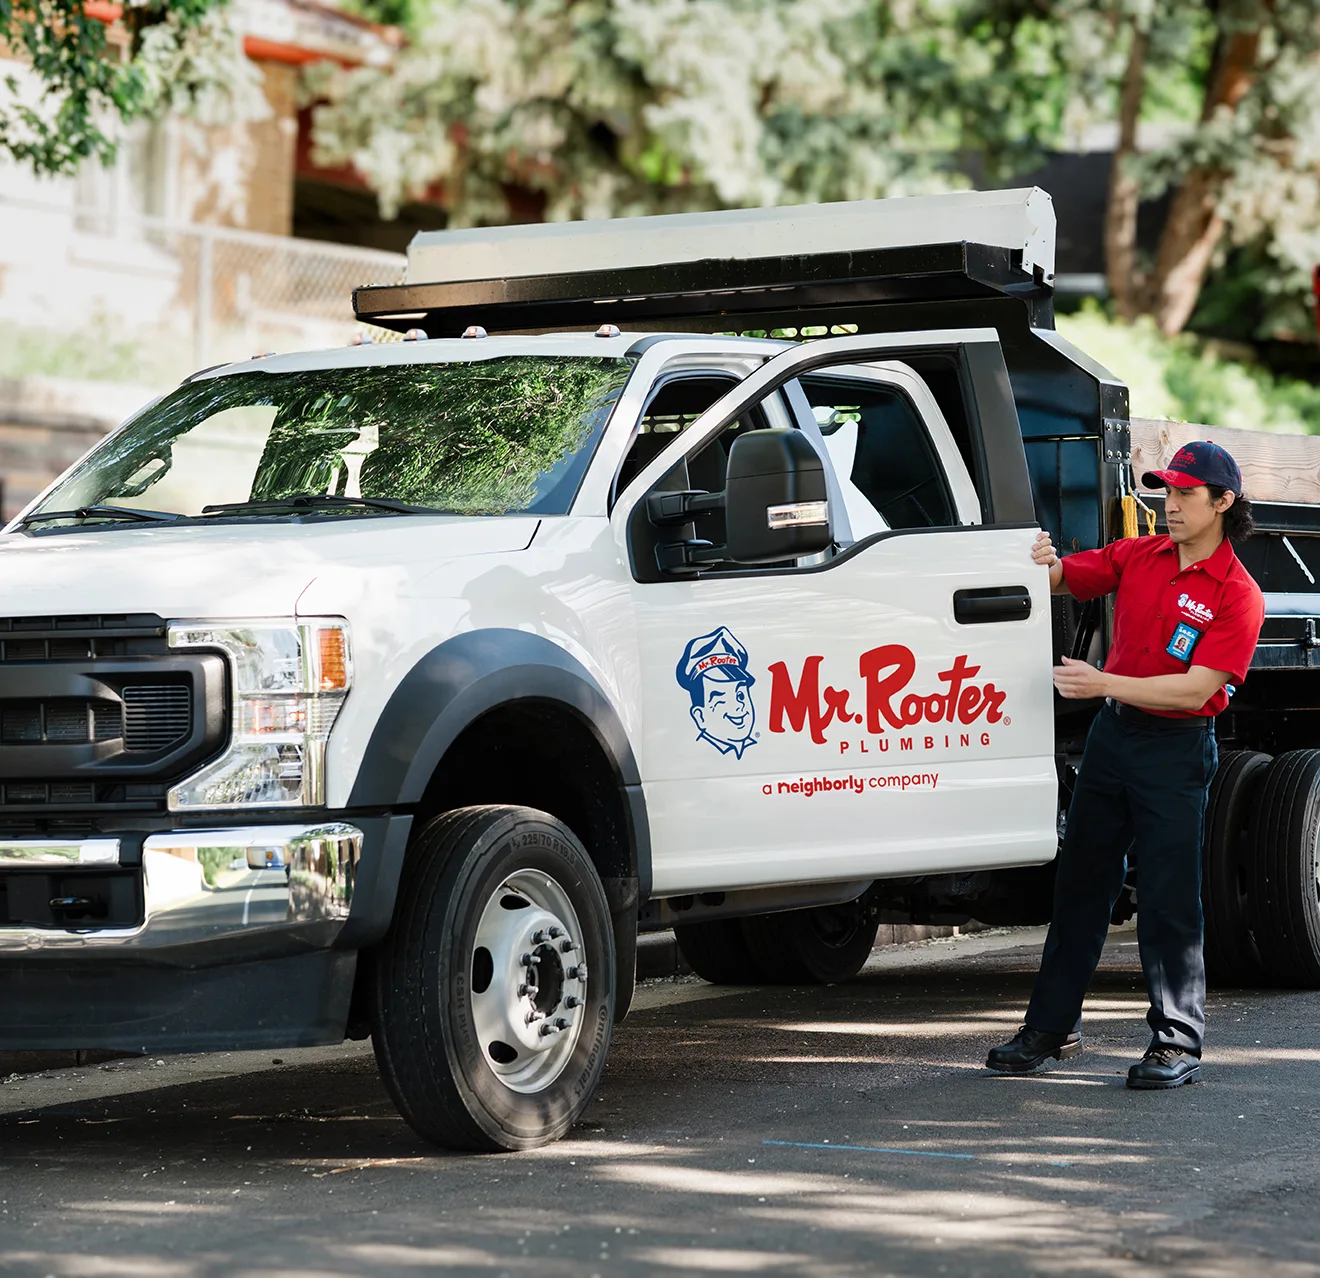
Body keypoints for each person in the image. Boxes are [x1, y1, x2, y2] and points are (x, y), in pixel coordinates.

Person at [987, 441, 1264, 1089]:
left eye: (1185, 494)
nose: (1170, 505)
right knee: (1080, 885)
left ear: (1223, 502)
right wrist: (1039, 560)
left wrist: (1103, 684)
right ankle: (1050, 1029)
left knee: (1169, 898)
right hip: (1114, 742)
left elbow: (1196, 691)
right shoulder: (1139, 556)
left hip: (1175, 747)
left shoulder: (1237, 594)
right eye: (1166, 492)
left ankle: (1176, 1043)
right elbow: (1061, 577)